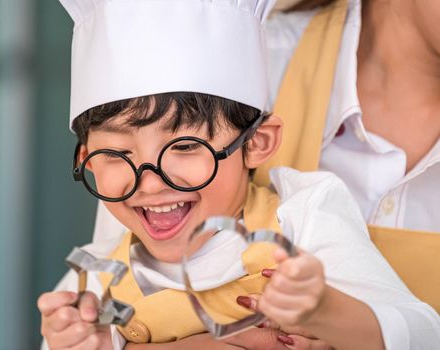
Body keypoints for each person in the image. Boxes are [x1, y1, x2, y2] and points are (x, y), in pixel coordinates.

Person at [38, 0, 440, 349]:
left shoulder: (303, 218)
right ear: (88, 159)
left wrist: (325, 308)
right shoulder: (99, 276)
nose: (149, 183)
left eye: (184, 147)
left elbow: (423, 334)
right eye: (117, 154)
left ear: (257, 143)